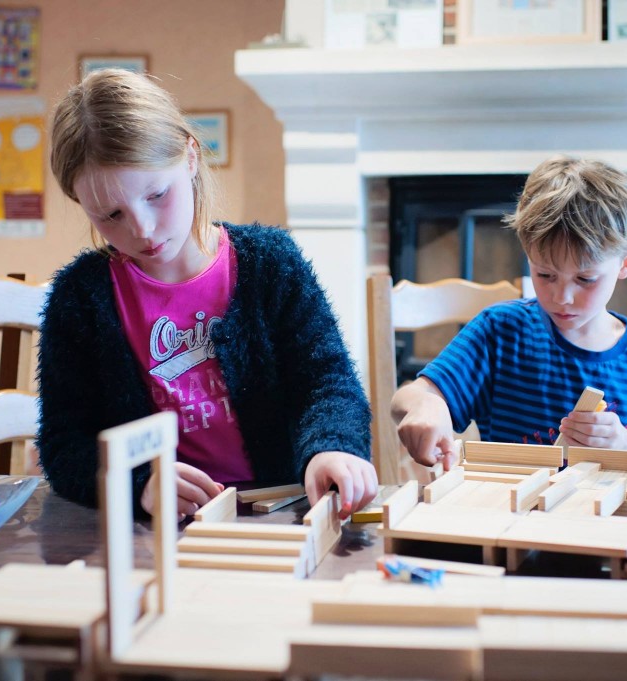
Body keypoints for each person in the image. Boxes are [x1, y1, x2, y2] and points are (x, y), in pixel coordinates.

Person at [39, 69, 377, 519]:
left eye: (157, 194)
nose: (142, 229)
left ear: (191, 158)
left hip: (280, 508)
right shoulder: (80, 297)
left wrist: (331, 448)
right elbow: (64, 445)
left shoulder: (270, 263)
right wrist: (137, 485)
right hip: (160, 528)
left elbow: (327, 381)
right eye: (111, 214)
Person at [391, 155, 627, 471]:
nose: (561, 297)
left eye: (585, 279)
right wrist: (426, 403)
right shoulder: (502, 330)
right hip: (512, 512)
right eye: (545, 275)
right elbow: (408, 397)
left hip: (613, 518)